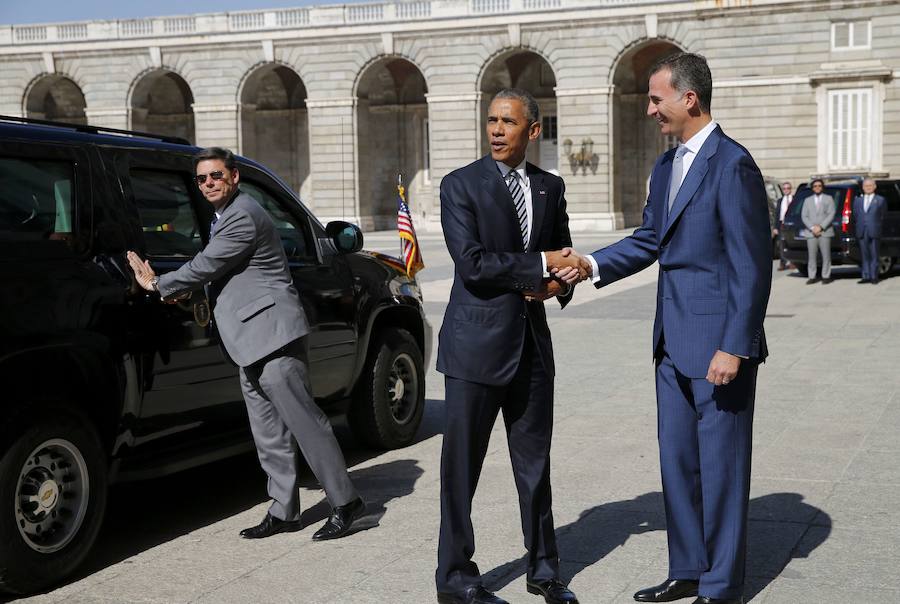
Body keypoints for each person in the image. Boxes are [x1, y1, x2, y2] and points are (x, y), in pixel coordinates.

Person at [551, 53, 771, 604]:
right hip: (670, 345)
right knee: (677, 464)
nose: (650, 110)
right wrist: (590, 265)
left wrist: (735, 347)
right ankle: (688, 568)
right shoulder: (665, 167)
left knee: (721, 471)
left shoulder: (732, 163)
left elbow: (751, 265)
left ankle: (720, 588)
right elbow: (650, 240)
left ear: (688, 98)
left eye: (656, 99)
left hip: (719, 348)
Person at [127, 147, 365, 542]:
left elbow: (208, 263)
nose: (208, 184)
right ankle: (284, 510)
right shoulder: (224, 217)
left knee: (305, 423)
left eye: (215, 176)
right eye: (201, 179)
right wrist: (183, 293)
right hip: (250, 338)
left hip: (272, 335)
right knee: (268, 430)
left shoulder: (243, 214)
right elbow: (221, 274)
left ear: (234, 177)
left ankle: (345, 502)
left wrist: (158, 284)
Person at [435, 88, 581, 604]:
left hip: (532, 350)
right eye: (492, 120)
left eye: (508, 122)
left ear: (533, 131)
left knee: (535, 468)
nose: (496, 130)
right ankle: (456, 580)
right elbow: (472, 263)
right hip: (474, 348)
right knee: (461, 471)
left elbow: (563, 258)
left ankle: (545, 572)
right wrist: (541, 264)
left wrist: (558, 282)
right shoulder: (460, 185)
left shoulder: (550, 187)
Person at [800, 179, 836, 284]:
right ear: (812, 188)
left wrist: (821, 227)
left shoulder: (828, 199)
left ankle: (826, 276)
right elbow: (804, 216)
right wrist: (812, 228)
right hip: (811, 232)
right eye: (815, 186)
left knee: (826, 255)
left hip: (825, 231)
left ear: (822, 187)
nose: (817, 187)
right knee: (812, 256)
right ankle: (812, 275)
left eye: (819, 185)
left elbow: (831, 214)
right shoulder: (807, 200)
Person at [853, 177, 887, 284]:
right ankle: (865, 276)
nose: (868, 188)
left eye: (870, 185)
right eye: (866, 186)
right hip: (862, 230)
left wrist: (876, 225)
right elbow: (856, 215)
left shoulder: (880, 200)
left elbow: (883, 215)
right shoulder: (858, 200)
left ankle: (874, 276)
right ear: (863, 187)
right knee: (864, 254)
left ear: (874, 187)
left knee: (874, 254)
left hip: (874, 229)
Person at [774, 182, 793, 270]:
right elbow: (777, 214)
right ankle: (783, 263)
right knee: (781, 245)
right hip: (782, 224)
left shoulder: (794, 199)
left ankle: (792, 262)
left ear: (791, 189)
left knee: (791, 244)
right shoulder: (780, 200)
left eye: (788, 188)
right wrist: (775, 227)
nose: (786, 190)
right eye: (784, 188)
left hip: (791, 224)